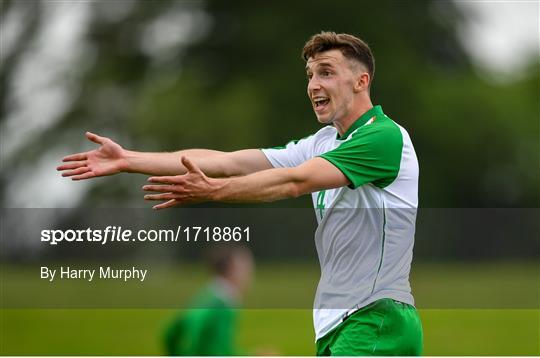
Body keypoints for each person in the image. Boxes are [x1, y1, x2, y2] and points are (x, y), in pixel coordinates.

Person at [58, 31, 423, 356]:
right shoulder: (324, 142)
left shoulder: (382, 137)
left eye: (326, 72)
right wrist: (129, 159)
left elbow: (293, 182)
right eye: (310, 75)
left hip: (377, 318)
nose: (313, 84)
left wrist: (213, 191)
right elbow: (229, 162)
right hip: (339, 324)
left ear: (362, 81)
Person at [163, 245, 253, 356]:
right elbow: (220, 353)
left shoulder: (204, 297)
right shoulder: (222, 307)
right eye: (246, 267)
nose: (249, 274)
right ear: (232, 269)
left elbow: (169, 334)